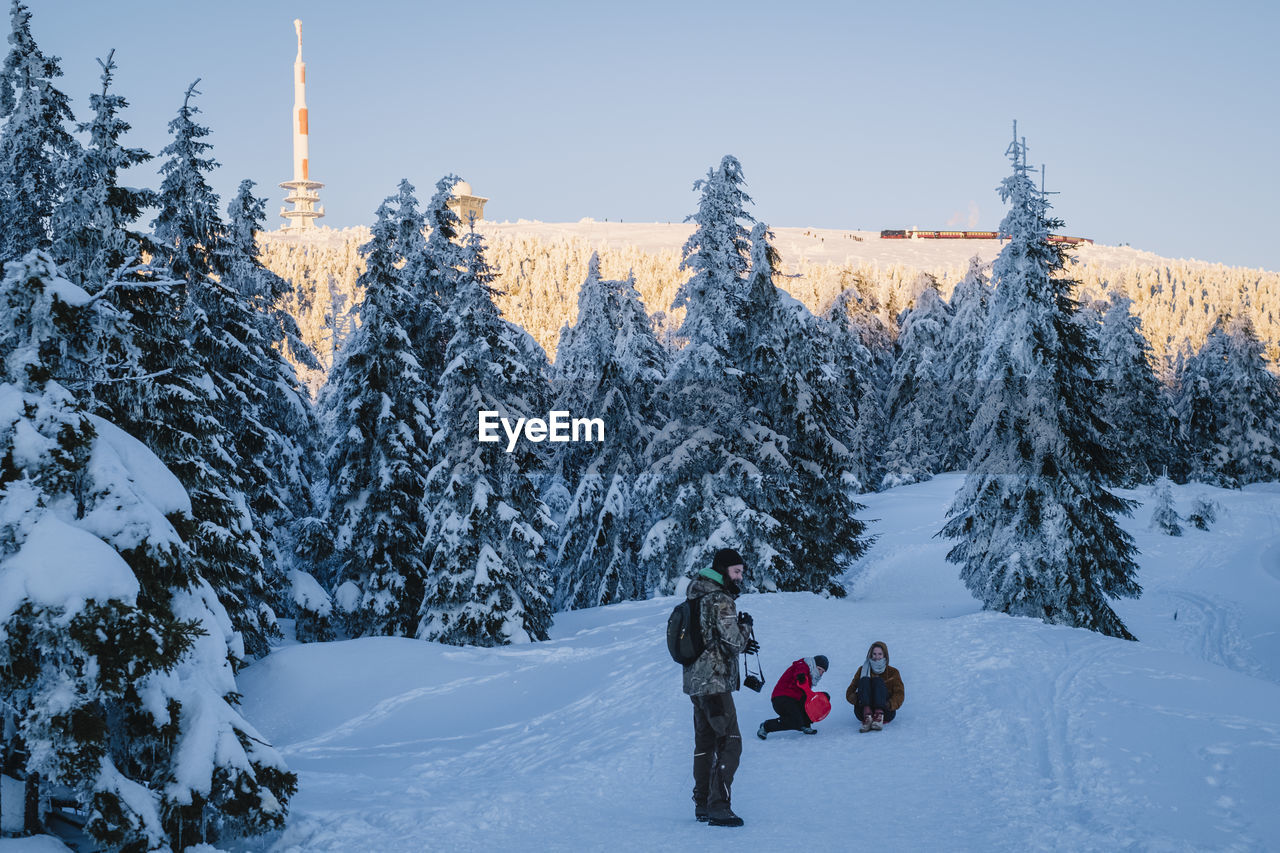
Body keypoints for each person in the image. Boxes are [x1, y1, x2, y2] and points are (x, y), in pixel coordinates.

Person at [683, 548, 755, 828]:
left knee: (705, 743)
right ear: (723, 570)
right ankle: (719, 806)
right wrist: (745, 627)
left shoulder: (695, 593)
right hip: (714, 683)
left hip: (695, 683)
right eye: (736, 571)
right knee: (730, 742)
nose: (739, 577)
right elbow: (734, 643)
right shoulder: (720, 599)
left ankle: (702, 803)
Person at [756, 655, 829, 739]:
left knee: (824, 697)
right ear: (813, 664)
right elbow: (800, 670)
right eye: (819, 669)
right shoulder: (803, 665)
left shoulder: (811, 675)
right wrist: (801, 676)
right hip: (782, 699)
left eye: (822, 672)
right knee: (796, 722)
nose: (820, 673)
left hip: (795, 700)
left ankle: (805, 724)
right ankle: (766, 726)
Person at [845, 641, 904, 732]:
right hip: (862, 711)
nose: (877, 657)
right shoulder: (862, 669)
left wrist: (889, 704)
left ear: (885, 655)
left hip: (886, 711)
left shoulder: (893, 672)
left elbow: (899, 694)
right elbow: (850, 691)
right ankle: (867, 717)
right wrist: (858, 699)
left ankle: (878, 715)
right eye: (874, 654)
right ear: (870, 655)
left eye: (880, 654)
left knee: (877, 681)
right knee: (864, 680)